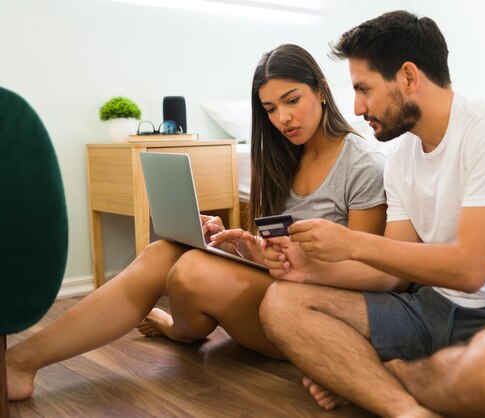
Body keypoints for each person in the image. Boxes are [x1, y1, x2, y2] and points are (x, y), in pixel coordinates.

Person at [6, 43, 387, 402]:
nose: (282, 118)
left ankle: (180, 330)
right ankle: (19, 362)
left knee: (191, 270)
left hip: (310, 313)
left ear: (320, 90)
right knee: (163, 252)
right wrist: (245, 248)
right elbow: (277, 246)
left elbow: (362, 273)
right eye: (270, 109)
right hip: (278, 283)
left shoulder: (361, 164)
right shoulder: (277, 159)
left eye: (292, 100)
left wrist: (287, 264)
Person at [259, 11, 485, 418]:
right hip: (429, 306)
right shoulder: (401, 159)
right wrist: (305, 269)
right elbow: (391, 272)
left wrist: (351, 243)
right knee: (281, 304)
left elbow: (470, 268)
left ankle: (373, 376)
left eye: (364, 89)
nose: (357, 107)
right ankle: (404, 408)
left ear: (409, 77)